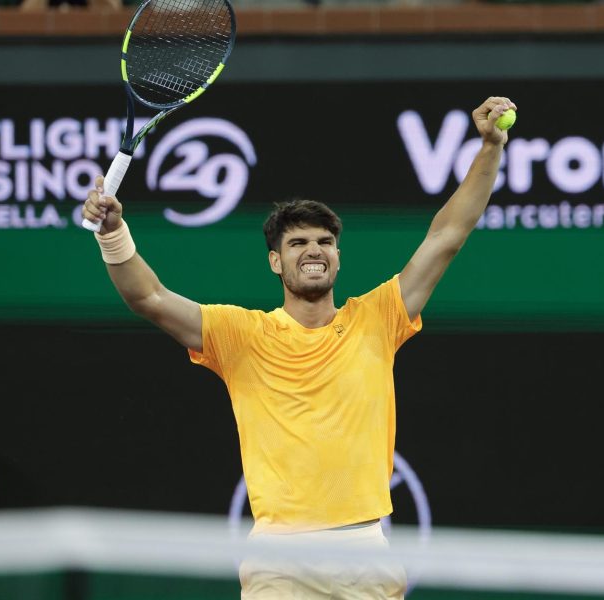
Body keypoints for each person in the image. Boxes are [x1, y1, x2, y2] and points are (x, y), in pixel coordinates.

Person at [82, 95, 517, 599]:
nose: (313, 250)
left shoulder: (378, 317)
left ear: (337, 256)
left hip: (365, 549)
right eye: (297, 243)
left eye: (324, 242)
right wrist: (112, 232)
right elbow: (149, 297)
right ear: (275, 262)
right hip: (279, 557)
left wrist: (490, 147)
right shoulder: (239, 334)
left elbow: (448, 235)